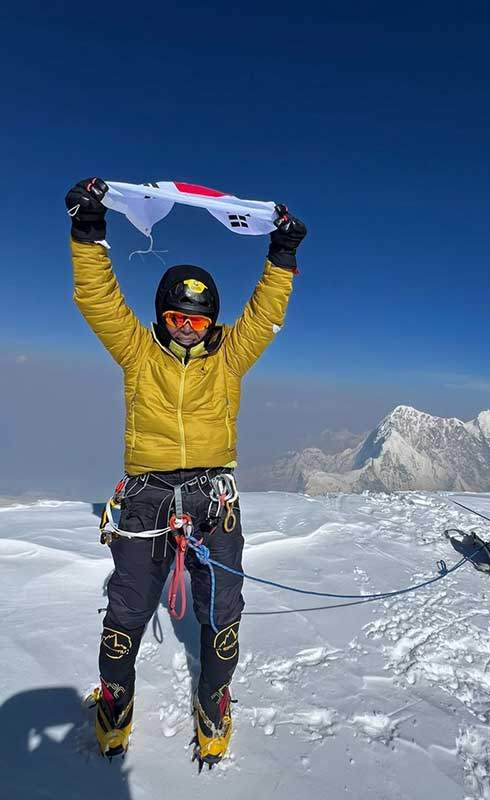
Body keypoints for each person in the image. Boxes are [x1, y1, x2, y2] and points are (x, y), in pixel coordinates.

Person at [65, 177, 306, 766]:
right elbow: (99, 300)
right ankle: (115, 703)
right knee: (126, 607)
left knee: (222, 610)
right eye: (177, 317)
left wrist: (282, 255)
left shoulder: (230, 358)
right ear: (161, 315)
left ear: (212, 323)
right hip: (146, 497)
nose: (186, 329)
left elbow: (265, 315)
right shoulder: (136, 351)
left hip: (212, 497)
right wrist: (88, 231)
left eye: (198, 322)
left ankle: (213, 698)